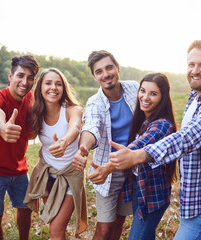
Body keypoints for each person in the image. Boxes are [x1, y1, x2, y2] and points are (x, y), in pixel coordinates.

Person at [110, 40, 201, 239]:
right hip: (192, 196)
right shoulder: (197, 97)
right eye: (191, 64)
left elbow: (187, 138)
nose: (195, 71)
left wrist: (139, 155)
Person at [89, 73, 178, 239]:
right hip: (140, 188)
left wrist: (108, 167)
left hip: (153, 194)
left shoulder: (162, 125)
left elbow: (138, 147)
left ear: (163, 97)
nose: (145, 97)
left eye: (153, 93)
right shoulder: (145, 120)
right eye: (142, 91)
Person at [72, 50, 139, 240]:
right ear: (94, 77)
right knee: (104, 227)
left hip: (135, 165)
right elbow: (91, 127)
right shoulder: (94, 103)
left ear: (117, 68)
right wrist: (83, 149)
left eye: (109, 68)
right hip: (108, 171)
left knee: (119, 220)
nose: (106, 74)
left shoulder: (134, 88)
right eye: (99, 71)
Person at [0, 54, 40, 240]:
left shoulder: (32, 99)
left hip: (21, 170)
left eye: (30, 78)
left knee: (26, 210)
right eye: (20, 75)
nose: (25, 81)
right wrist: (3, 126)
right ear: (10, 76)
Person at [24, 68, 87, 239]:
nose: (53, 88)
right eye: (48, 83)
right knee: (55, 223)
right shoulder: (36, 112)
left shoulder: (72, 109)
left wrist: (65, 142)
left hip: (69, 176)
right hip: (46, 175)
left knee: (56, 230)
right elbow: (28, 135)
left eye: (58, 84)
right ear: (40, 88)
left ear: (64, 88)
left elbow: (75, 127)